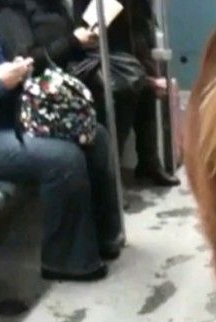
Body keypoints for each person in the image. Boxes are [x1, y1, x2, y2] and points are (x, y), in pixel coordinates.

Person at [0, 0, 123, 281]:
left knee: (94, 135)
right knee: (62, 159)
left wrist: (19, 72)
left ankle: (106, 237)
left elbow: (3, 77)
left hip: (5, 122)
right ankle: (65, 260)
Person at [70, 0, 179, 186]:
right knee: (123, 94)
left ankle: (149, 161)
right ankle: (113, 174)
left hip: (135, 32)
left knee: (146, 94)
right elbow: (86, 21)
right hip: (106, 40)